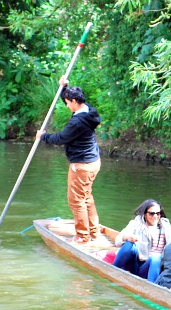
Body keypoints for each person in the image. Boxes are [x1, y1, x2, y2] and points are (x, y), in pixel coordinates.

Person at [36, 79, 101, 243]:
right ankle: (93, 232)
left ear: (74, 101)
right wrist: (64, 88)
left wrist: (43, 136)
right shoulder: (89, 112)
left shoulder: (77, 122)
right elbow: (70, 101)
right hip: (93, 161)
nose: (66, 106)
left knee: (76, 200)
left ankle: (83, 236)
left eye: (67, 102)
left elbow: (61, 138)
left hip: (82, 165)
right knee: (86, 197)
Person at [112, 199, 171, 282]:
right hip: (139, 266)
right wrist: (127, 237)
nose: (155, 216)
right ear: (145, 214)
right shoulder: (136, 224)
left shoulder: (166, 226)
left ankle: (153, 286)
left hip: (157, 266)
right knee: (129, 245)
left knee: (156, 257)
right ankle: (113, 270)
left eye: (158, 213)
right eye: (151, 214)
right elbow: (117, 241)